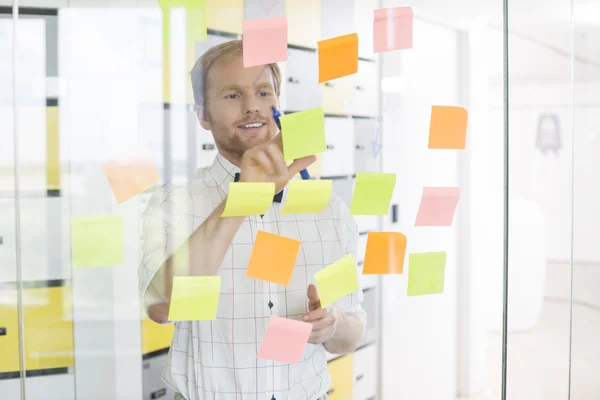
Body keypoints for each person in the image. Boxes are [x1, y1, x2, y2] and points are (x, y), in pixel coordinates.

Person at [138, 39, 366, 400]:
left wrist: (332, 323)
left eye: (262, 92)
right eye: (232, 96)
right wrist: (244, 197)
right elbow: (162, 308)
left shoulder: (327, 209)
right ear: (203, 115)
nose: (252, 108)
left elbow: (352, 336)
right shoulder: (172, 203)